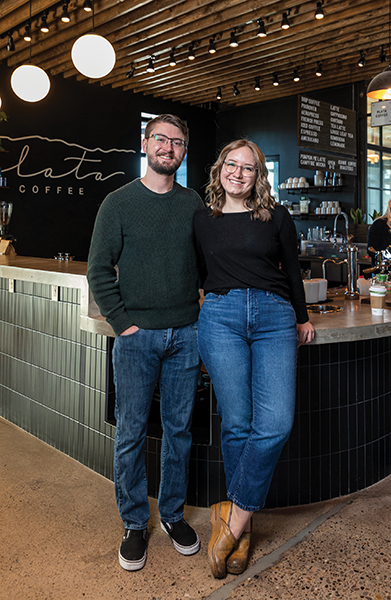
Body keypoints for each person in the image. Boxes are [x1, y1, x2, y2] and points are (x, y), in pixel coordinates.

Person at [193, 139, 315, 579]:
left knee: (276, 422)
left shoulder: (276, 217)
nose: (238, 173)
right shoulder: (202, 220)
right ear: (220, 168)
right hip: (221, 317)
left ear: (258, 176)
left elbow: (293, 269)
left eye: (248, 168)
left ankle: (234, 516)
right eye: (232, 164)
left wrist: (301, 318)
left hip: (273, 316)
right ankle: (241, 534)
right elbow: (194, 274)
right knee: (237, 423)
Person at [87, 114, 203, 571]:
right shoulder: (117, 203)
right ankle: (135, 523)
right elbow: (99, 268)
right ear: (146, 143)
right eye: (161, 139)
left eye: (177, 142)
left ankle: (172, 515)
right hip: (136, 338)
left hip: (187, 333)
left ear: (184, 151)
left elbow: (207, 264)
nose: (168, 147)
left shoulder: (193, 202)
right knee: (131, 432)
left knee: (178, 431)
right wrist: (122, 322)